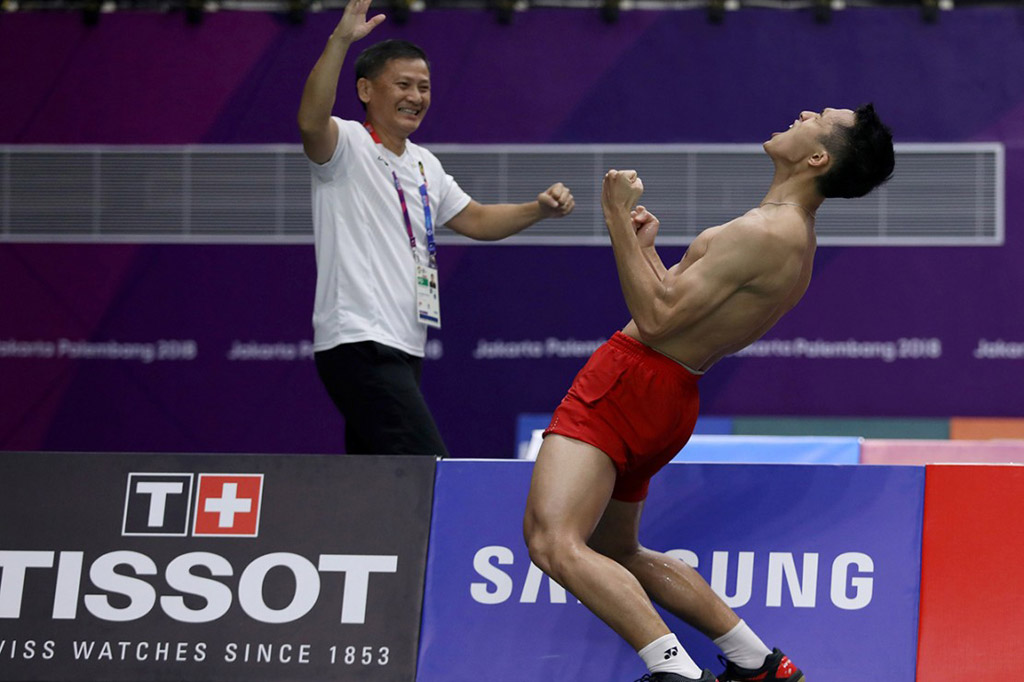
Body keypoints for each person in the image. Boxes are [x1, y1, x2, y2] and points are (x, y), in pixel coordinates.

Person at [523, 105, 894, 682]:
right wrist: (647, 250)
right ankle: (757, 661)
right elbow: (679, 306)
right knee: (619, 550)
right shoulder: (793, 235)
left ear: (818, 157)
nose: (803, 113)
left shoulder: (766, 230)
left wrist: (616, 218)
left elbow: (654, 316)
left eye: (819, 116)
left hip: (629, 383)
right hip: (670, 394)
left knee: (553, 541)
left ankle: (672, 668)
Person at [297, 0, 574, 458]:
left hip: (405, 346)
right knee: (428, 468)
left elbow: (477, 220)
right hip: (359, 340)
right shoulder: (345, 145)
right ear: (366, 90)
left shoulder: (425, 164)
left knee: (380, 483)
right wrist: (341, 40)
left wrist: (538, 209)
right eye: (402, 84)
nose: (416, 96)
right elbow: (310, 120)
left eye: (424, 87)